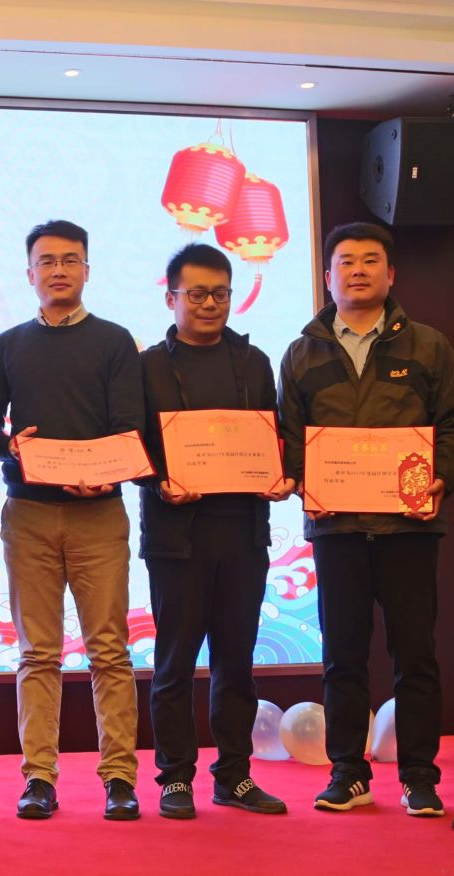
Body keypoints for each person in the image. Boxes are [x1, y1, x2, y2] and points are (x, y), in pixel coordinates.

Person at [277, 222, 450, 818]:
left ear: (391, 274)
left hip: (409, 528)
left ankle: (420, 776)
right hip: (338, 529)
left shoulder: (428, 346)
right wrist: (305, 480)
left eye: (370, 260)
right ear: (328, 277)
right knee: (343, 657)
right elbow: (289, 438)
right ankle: (348, 772)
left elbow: (450, 426)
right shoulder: (302, 353)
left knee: (415, 655)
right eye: (345, 261)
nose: (357, 270)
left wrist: (441, 476)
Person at [0, 219, 144, 820]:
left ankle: (119, 777)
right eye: (46, 261)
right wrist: (10, 448)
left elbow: (130, 426)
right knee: (37, 654)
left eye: (69, 260)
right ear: (29, 273)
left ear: (87, 270)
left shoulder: (115, 341)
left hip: (99, 513)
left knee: (110, 651)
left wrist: (107, 470)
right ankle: (39, 778)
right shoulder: (7, 345)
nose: (58, 270)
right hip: (28, 514)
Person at [139, 243, 289, 819]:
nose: (209, 304)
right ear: (171, 297)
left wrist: (279, 475)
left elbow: (271, 435)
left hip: (244, 533)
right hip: (176, 537)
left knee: (236, 661)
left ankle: (234, 776)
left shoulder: (253, 362)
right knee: (175, 662)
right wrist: (159, 483)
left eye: (220, 294)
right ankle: (175, 778)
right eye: (197, 294)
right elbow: (133, 443)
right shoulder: (148, 366)